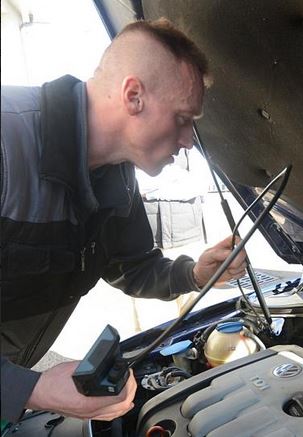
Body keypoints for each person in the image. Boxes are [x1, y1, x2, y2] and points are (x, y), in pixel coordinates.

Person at [0, 18, 247, 423]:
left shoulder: (118, 173)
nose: (188, 142)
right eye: (183, 119)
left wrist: (196, 275)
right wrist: (33, 388)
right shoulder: (7, 146)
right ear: (133, 95)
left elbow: (133, 267)